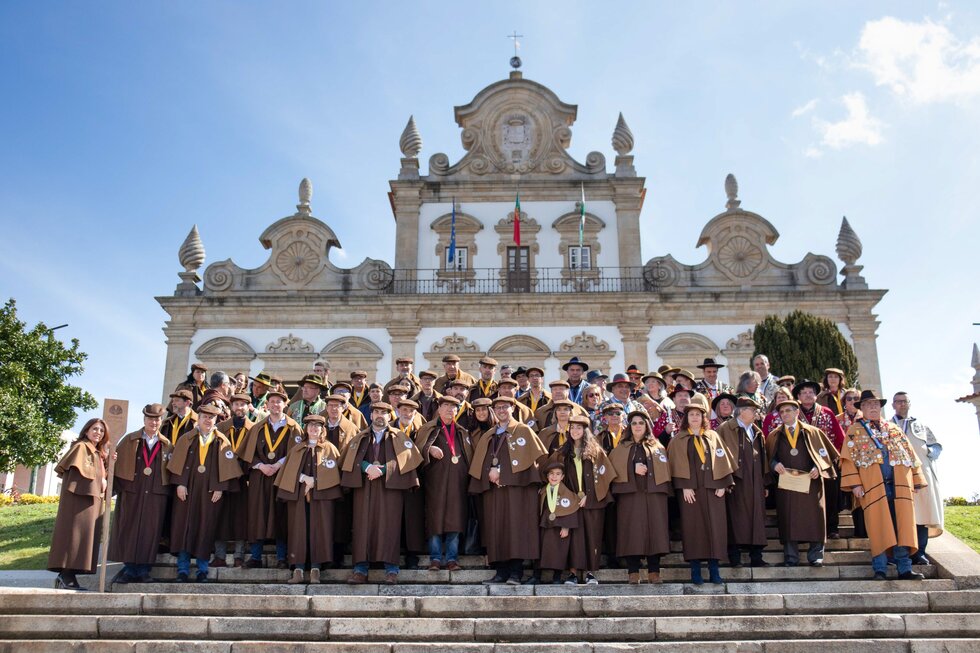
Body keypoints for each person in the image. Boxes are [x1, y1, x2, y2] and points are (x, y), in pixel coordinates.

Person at [840, 390, 927, 580]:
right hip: (873, 486)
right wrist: (854, 484)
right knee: (878, 526)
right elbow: (847, 460)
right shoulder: (855, 431)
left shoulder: (894, 429)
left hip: (899, 485)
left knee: (902, 526)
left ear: (881, 407)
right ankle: (880, 568)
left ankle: (905, 568)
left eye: (876, 404)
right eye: (868, 404)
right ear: (861, 408)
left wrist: (917, 479)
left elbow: (911, 455)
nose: (873, 407)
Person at [341, 402, 422, 585]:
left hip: (390, 489)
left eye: (384, 413)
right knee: (362, 527)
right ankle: (360, 569)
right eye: (376, 412)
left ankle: (391, 569)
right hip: (365, 488)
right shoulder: (360, 436)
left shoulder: (399, 436)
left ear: (390, 415)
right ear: (370, 415)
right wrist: (366, 466)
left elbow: (410, 460)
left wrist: (384, 469)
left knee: (390, 527)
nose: (380, 416)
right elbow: (348, 459)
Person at [469, 396, 547, 585]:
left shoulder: (523, 430)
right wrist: (490, 472)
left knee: (515, 529)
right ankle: (500, 572)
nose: (501, 410)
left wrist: (503, 473)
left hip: (517, 491)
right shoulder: (490, 434)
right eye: (498, 407)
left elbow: (536, 461)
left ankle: (515, 572)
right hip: (494, 491)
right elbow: (482, 461)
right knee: (496, 529)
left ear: (513, 408)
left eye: (505, 407)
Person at [167, 403, 242, 582]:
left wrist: (219, 487)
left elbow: (226, 467)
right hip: (187, 490)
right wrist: (180, 483)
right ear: (198, 418)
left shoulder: (222, 440)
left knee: (205, 528)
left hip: (210, 492)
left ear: (216, 420)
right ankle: (183, 570)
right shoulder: (187, 438)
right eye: (205, 417)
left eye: (211, 417)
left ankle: (202, 569)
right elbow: (179, 463)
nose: (208, 420)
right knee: (183, 527)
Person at [668, 394, 735, 585]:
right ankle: (695, 570)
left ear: (703, 417)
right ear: (686, 418)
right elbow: (674, 463)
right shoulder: (679, 439)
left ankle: (714, 570)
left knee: (715, 528)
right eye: (691, 415)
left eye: (698, 414)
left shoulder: (713, 436)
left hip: (713, 490)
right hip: (691, 491)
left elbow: (723, 460)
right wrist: (684, 486)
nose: (695, 418)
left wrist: (723, 484)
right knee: (693, 529)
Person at [766, 397, 838, 568]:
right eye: (781, 412)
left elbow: (825, 455)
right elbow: (768, 458)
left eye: (788, 410)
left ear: (797, 412)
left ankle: (816, 556)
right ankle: (791, 557)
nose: (784, 414)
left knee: (815, 517)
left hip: (811, 483)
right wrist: (775, 465)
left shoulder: (813, 432)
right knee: (788, 518)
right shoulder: (774, 435)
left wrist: (817, 467)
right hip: (787, 484)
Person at [274, 414, 343, 584]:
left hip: (322, 497)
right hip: (298, 496)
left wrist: (316, 481)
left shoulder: (329, 448)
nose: (313, 429)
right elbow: (288, 471)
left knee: (320, 530)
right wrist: (303, 478)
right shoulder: (297, 448)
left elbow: (335, 473)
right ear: (306, 429)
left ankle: (315, 568)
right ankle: (297, 568)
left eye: (317, 426)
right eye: (310, 426)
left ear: (322, 429)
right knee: (298, 529)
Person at [110, 404, 173, 583]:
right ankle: (130, 569)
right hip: (132, 492)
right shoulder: (129, 439)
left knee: (150, 532)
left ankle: (144, 570)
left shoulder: (167, 444)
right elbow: (115, 464)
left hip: (155, 494)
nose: (153, 422)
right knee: (129, 529)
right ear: (144, 419)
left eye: (157, 419)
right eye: (150, 418)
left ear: (161, 421)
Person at [239, 389, 301, 569]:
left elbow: (296, 453)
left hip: (282, 477)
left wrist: (278, 465)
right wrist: (261, 466)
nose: (275, 404)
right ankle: (256, 556)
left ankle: (282, 557)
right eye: (272, 401)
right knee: (257, 514)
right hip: (260, 477)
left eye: (279, 402)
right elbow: (247, 453)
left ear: (285, 404)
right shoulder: (257, 428)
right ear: (267, 405)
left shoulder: (293, 427)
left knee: (281, 515)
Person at [610, 409, 671, 584]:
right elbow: (613, 469)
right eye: (634, 423)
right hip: (630, 495)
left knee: (655, 531)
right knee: (632, 531)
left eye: (641, 423)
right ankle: (633, 572)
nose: (637, 426)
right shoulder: (621, 447)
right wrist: (632, 469)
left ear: (647, 426)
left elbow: (665, 469)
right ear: (630, 426)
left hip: (653, 495)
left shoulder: (657, 446)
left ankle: (654, 571)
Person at [49, 418, 110, 590]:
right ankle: (66, 575)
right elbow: (76, 475)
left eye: (101, 431)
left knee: (83, 538)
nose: (98, 432)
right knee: (73, 536)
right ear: (86, 430)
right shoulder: (81, 447)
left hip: (90, 500)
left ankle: (70, 575)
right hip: (78, 501)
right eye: (95, 429)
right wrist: (100, 481)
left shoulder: (96, 451)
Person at [552, 415, 613, 585]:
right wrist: (569, 497)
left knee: (592, 536)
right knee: (573, 537)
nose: (575, 431)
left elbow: (604, 475)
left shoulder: (596, 452)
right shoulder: (562, 452)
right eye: (572, 428)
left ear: (585, 431)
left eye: (579, 428)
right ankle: (572, 573)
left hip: (592, 502)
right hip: (570, 501)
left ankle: (589, 573)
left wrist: (590, 495)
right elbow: (554, 475)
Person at [415, 396, 473, 571]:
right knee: (435, 518)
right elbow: (417, 449)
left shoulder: (462, 432)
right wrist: (428, 449)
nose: (449, 409)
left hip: (457, 483)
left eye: (453, 407)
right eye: (446, 406)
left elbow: (470, 456)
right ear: (438, 409)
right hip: (435, 483)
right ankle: (435, 558)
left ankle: (451, 559)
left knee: (454, 520)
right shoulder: (428, 429)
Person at [891, 391, 943, 564]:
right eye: (898, 402)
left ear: (909, 403)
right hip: (897, 475)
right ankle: (901, 553)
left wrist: (927, 451)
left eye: (904, 401)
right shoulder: (886, 426)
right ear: (893, 405)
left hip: (921, 474)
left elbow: (936, 447)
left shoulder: (921, 425)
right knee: (901, 515)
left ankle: (919, 552)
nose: (902, 404)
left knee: (921, 514)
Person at [716, 397, 769, 567]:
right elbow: (718, 456)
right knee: (735, 517)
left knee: (757, 517)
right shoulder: (725, 428)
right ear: (741, 411)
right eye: (752, 410)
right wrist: (725, 480)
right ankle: (735, 557)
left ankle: (756, 556)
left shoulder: (757, 431)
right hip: (735, 480)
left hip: (755, 480)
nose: (755, 413)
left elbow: (763, 457)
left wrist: (765, 482)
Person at [793, 379, 845, 539]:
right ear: (798, 397)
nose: (808, 395)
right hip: (802, 462)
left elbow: (839, 437)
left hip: (826, 461)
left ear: (816, 395)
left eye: (811, 392)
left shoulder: (827, 412)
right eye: (804, 393)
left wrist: (833, 456)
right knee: (803, 498)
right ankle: (807, 529)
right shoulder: (793, 414)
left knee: (830, 494)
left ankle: (832, 528)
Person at [212, 393, 254, 568]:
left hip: (244, 479)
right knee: (220, 517)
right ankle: (220, 556)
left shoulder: (254, 428)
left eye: (243, 404)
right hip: (223, 477)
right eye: (236, 404)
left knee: (241, 518)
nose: (239, 407)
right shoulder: (220, 428)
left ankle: (239, 555)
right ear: (231, 407)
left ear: (248, 407)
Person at [536, 461, 584, 584]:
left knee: (559, 551)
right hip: (546, 525)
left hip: (559, 527)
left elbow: (572, 508)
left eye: (558, 474)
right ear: (547, 476)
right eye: (551, 474)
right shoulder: (542, 491)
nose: (554, 477)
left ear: (562, 477)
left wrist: (566, 527)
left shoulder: (567, 493)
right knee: (542, 550)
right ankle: (537, 576)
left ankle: (557, 576)